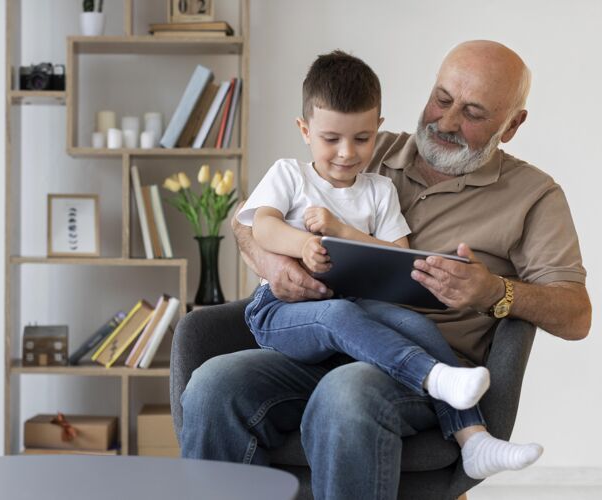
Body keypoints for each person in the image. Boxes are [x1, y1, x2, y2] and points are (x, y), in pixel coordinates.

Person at [180, 40, 591, 500]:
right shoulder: (364, 149)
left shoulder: (534, 195)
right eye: (442, 98)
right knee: (213, 386)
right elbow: (248, 218)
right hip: (318, 344)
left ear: (512, 125)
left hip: (426, 368)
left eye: (473, 113)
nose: (448, 121)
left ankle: (465, 426)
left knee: (347, 392)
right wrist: (274, 263)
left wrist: (494, 292)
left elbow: (577, 315)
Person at [235, 49, 542, 479]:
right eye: (331, 139)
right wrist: (303, 244)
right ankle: (432, 377)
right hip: (282, 313)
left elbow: (395, 252)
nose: (346, 153)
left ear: (376, 129)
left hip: (354, 311)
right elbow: (258, 225)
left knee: (417, 327)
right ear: (305, 131)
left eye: (361, 140)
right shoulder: (289, 174)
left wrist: (340, 230)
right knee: (336, 313)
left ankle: (473, 439)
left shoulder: (378, 189)